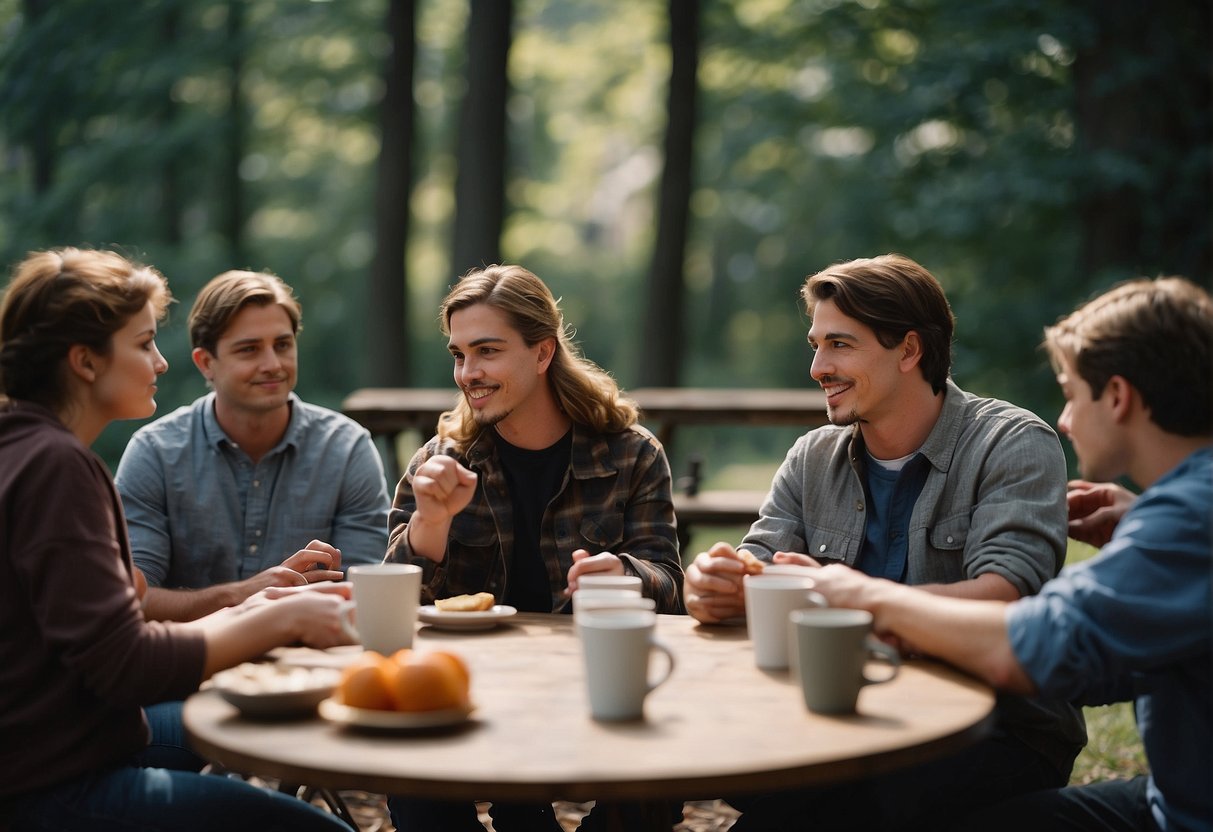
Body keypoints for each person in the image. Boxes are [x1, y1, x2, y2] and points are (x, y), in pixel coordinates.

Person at [683, 253, 1086, 829]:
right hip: (843, 715)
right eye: (816, 345)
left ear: (910, 350)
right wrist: (714, 584)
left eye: (841, 345)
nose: (818, 366)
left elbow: (1006, 603)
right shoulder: (812, 457)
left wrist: (849, 595)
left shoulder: (1013, 443)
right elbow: (757, 562)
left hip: (996, 730)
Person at [807, 275, 1212, 832]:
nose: (1065, 421)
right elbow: (1104, 669)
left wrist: (865, 597)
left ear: (1117, 397)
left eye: (1071, 393)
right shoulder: (1188, 509)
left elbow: (1033, 647)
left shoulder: (1191, 517)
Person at [0, 247, 354, 831]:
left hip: (66, 746)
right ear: (85, 362)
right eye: (142, 344)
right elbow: (126, 666)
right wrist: (275, 622)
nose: (160, 363)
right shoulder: (55, 468)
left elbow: (114, 638)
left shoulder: (26, 447)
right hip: (51, 784)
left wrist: (255, 604)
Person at [384, 264, 684, 831]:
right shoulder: (441, 462)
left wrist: (623, 573)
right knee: (413, 789)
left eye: (487, 352)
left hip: (594, 688)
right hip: (472, 691)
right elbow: (392, 612)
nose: (468, 373)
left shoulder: (630, 454)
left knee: (649, 798)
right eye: (458, 354)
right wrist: (431, 523)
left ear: (543, 353)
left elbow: (671, 586)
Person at [115, 269, 390, 622]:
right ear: (205, 363)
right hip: (190, 666)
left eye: (283, 345)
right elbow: (135, 601)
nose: (272, 364)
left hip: (315, 662)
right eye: (249, 350)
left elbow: (364, 594)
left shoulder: (347, 448)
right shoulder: (154, 453)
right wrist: (245, 594)